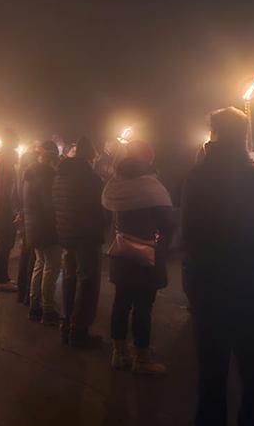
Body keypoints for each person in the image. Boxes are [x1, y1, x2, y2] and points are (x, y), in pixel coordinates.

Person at [182, 107, 254, 426]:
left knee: (212, 371)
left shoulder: (198, 176)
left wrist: (191, 285)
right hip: (251, 283)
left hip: (210, 286)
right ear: (245, 133)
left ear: (214, 132)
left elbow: (189, 236)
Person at [102, 140, 175, 374]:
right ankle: (141, 358)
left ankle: (119, 352)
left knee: (121, 302)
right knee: (143, 306)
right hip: (146, 255)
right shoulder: (152, 186)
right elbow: (167, 222)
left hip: (121, 251)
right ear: (148, 160)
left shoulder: (114, 185)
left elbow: (106, 217)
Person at [53, 135, 107, 347]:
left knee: (69, 279)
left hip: (66, 233)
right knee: (87, 282)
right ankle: (79, 330)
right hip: (87, 236)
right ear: (91, 156)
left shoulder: (60, 175)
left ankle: (66, 324)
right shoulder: (91, 178)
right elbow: (99, 209)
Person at [22, 141, 61, 325]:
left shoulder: (29, 174)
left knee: (39, 264)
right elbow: (49, 205)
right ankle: (47, 309)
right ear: (51, 161)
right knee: (51, 267)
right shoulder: (47, 177)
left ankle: (34, 306)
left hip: (32, 226)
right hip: (47, 227)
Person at [0, 129, 21, 292]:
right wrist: (14, 210)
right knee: (5, 244)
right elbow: (8, 187)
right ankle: (1, 279)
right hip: (5, 208)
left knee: (2, 244)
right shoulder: (7, 158)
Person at [15, 145, 38, 304]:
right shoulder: (33, 179)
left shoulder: (21, 175)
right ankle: (28, 294)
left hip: (24, 218)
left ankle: (21, 291)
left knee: (25, 255)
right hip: (31, 220)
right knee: (31, 257)